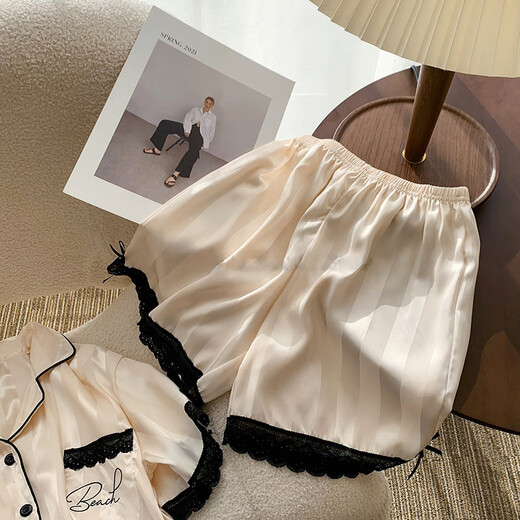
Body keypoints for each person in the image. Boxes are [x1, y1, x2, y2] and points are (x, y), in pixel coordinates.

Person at [143, 97, 217, 187]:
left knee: (194, 151)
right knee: (165, 123)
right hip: (189, 128)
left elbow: (212, 131)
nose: (207, 105)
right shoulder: (195, 110)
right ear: (204, 102)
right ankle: (157, 149)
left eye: (210, 103)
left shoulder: (213, 117)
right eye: (206, 102)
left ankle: (175, 174)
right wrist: (187, 130)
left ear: (212, 105)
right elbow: (187, 118)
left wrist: (205, 141)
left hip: (200, 135)